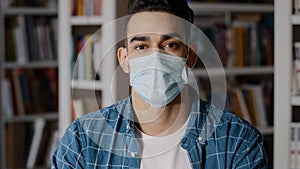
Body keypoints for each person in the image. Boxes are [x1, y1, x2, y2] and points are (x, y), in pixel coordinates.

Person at [51, 0, 268, 168]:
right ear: (124, 59)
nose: (155, 58)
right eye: (141, 46)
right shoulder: (82, 140)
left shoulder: (237, 141)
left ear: (190, 57)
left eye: (170, 44)